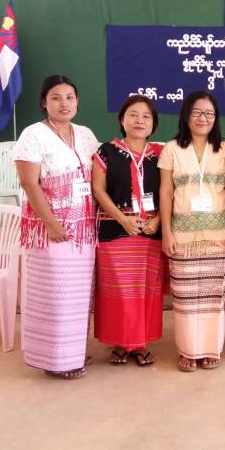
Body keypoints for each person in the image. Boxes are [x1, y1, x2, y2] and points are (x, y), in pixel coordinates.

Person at [13, 75, 100, 380]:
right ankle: (55, 359)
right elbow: (28, 182)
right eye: (56, 98)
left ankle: (72, 352)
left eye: (70, 97)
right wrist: (51, 223)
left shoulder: (86, 134)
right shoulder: (33, 135)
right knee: (55, 296)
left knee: (78, 297)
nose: (64, 103)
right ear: (44, 102)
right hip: (51, 229)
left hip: (84, 230)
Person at [159, 91, 225, 373]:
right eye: (197, 112)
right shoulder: (171, 149)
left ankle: (210, 349)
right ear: (186, 115)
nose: (202, 118)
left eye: (208, 113)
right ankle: (188, 351)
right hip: (181, 236)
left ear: (215, 119)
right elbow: (166, 191)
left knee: (212, 297)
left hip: (217, 235)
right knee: (184, 297)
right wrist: (166, 233)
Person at [91, 95, 165, 367]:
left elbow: (169, 192)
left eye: (146, 116)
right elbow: (98, 190)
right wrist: (123, 219)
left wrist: (157, 222)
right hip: (116, 231)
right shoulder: (106, 151)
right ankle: (121, 343)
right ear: (122, 119)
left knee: (145, 290)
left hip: (150, 233)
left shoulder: (161, 153)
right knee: (120, 292)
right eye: (133, 115)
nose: (139, 121)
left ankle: (140, 343)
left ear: (153, 123)